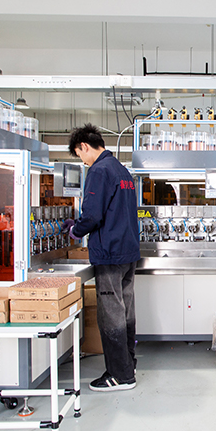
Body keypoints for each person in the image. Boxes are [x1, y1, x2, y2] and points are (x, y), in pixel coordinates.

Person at [65, 124, 141, 392]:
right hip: (128, 252)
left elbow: (93, 215)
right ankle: (128, 365)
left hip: (109, 253)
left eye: (80, 155)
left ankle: (120, 375)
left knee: (111, 314)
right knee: (125, 311)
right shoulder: (122, 170)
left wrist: (76, 230)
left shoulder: (99, 170)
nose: (83, 162)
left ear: (84, 146)